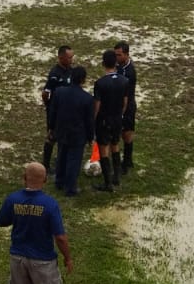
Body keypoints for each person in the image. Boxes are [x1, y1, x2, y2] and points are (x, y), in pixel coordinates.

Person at [49, 66, 95, 196]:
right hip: (78, 134)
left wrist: (51, 128)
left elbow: (53, 112)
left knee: (61, 156)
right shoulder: (87, 98)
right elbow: (89, 121)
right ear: (83, 80)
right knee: (73, 161)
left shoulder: (59, 92)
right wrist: (91, 137)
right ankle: (70, 188)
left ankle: (59, 181)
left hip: (61, 130)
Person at [92, 50, 128, 191]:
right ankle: (117, 178)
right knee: (115, 144)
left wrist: (93, 121)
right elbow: (125, 102)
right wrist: (119, 115)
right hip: (117, 118)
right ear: (116, 63)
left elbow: (97, 106)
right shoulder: (124, 81)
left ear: (103, 63)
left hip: (104, 120)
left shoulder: (100, 83)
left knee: (103, 148)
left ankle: (107, 183)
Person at [40, 44, 75, 173]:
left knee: (64, 135)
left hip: (67, 110)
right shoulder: (54, 74)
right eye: (69, 57)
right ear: (61, 58)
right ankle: (46, 164)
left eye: (72, 57)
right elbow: (45, 93)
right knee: (52, 135)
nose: (72, 60)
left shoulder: (71, 70)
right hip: (56, 111)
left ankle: (60, 160)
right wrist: (49, 105)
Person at [114, 40, 138, 172]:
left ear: (126, 55)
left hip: (127, 106)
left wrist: (122, 112)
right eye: (115, 54)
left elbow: (126, 96)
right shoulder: (118, 65)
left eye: (119, 55)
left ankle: (127, 162)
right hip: (120, 105)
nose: (116, 57)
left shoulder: (129, 72)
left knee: (126, 134)